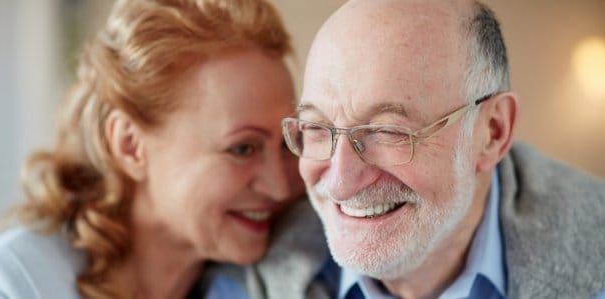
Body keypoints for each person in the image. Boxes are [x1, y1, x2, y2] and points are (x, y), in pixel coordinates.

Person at [230, 0, 605, 298]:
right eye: (316, 127)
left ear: (492, 132)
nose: (341, 182)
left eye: (389, 131)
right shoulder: (251, 276)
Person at [0, 0, 305, 298]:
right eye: (243, 149)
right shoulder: (18, 282)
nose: (280, 187)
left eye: (288, 144)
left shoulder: (296, 269)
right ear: (130, 146)